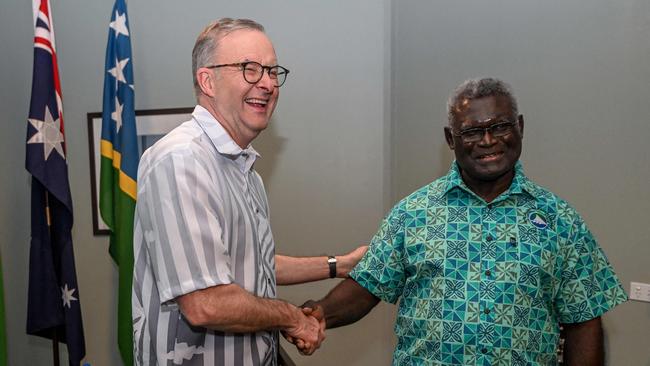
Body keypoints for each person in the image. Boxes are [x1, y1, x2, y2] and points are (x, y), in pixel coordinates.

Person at [301, 78, 627, 365]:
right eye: (472, 131)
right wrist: (317, 315)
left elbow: (583, 322)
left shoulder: (561, 221)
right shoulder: (412, 213)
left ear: (520, 127)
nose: (487, 141)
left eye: (499, 127)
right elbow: (368, 285)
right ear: (450, 138)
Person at [132, 18, 365, 365]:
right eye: (250, 69)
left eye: (272, 71)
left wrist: (337, 265)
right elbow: (205, 302)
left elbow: (250, 265)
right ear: (207, 80)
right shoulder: (182, 161)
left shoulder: (245, 170)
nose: (268, 84)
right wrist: (292, 318)